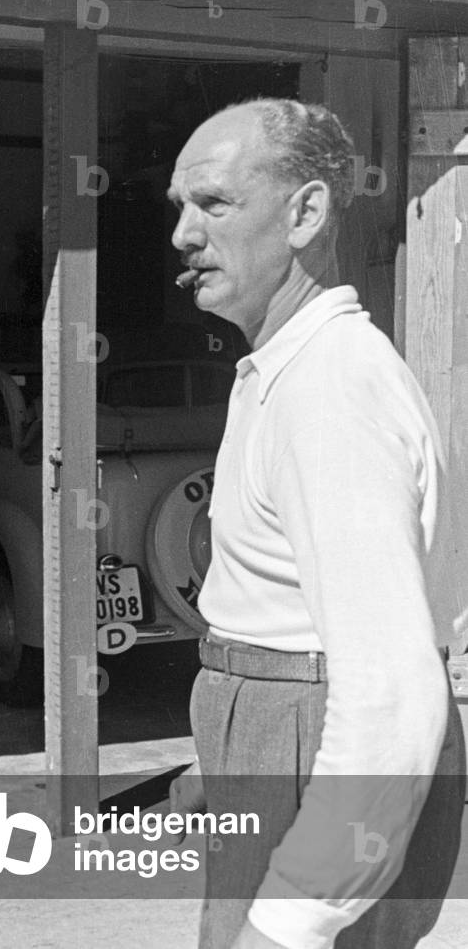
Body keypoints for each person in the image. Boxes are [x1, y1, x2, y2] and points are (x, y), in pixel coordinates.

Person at [167, 99, 466, 949]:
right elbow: (292, 619)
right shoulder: (288, 368)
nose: (184, 233)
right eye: (180, 209)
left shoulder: (328, 390)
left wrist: (296, 915)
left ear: (304, 212)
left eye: (215, 203)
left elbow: (389, 689)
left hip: (320, 748)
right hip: (280, 744)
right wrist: (227, 751)